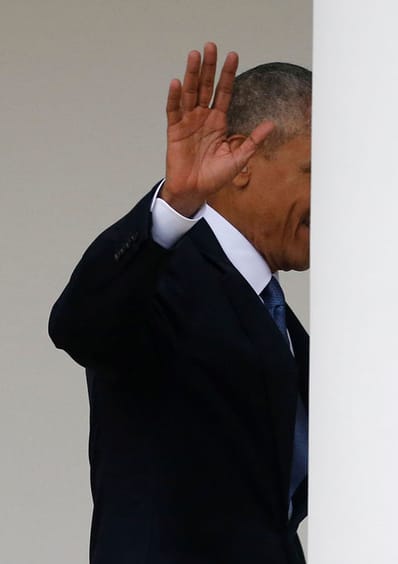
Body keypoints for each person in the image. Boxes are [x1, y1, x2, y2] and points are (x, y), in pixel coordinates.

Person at [48, 43, 311, 564]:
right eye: (314, 170)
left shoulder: (283, 324)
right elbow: (78, 326)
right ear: (242, 163)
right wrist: (174, 206)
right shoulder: (164, 279)